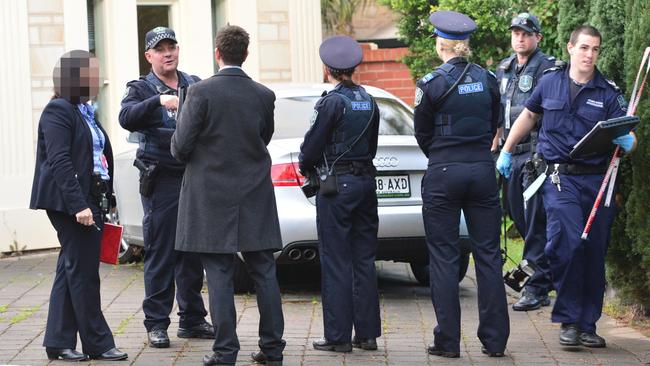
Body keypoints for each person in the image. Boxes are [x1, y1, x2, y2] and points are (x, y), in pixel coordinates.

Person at [496, 25, 637, 348]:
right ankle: (569, 319)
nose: (589, 55)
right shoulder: (550, 82)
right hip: (560, 180)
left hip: (597, 182)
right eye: (584, 47)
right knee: (567, 244)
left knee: (593, 250)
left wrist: (628, 142)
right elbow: (528, 117)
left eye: (595, 49)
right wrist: (505, 151)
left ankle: (587, 325)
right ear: (571, 48)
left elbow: (630, 137)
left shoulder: (607, 92)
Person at [171, 25, 285, 366]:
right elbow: (263, 138)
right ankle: (272, 349)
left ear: (217, 53)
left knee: (219, 274)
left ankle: (225, 352)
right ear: (245, 55)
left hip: (210, 196)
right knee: (264, 271)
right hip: (254, 192)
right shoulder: (264, 95)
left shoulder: (199, 93)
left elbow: (180, 148)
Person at [414, 10, 510, 358]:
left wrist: (443, 154)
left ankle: (448, 342)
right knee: (488, 255)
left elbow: (422, 134)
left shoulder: (430, 84)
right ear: (465, 46)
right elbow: (494, 123)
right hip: (482, 171)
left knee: (443, 256)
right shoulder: (487, 80)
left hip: (443, 172)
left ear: (441, 46)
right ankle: (495, 340)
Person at [30, 50, 127, 361]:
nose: (96, 79)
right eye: (91, 73)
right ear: (75, 77)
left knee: (69, 269)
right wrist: (79, 206)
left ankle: (58, 342)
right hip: (71, 202)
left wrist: (106, 199)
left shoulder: (83, 110)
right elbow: (59, 161)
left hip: (90, 197)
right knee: (84, 273)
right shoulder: (57, 111)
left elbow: (95, 158)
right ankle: (98, 343)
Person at [118, 26, 213, 348]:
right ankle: (156, 323)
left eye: (172, 46)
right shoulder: (141, 88)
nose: (168, 52)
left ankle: (193, 319)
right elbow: (126, 117)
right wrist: (159, 100)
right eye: (161, 49)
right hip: (162, 181)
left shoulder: (195, 83)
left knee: (192, 251)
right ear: (149, 56)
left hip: (193, 177)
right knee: (162, 253)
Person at [299, 35, 382, 353]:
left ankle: (337, 337)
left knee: (336, 260)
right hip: (365, 185)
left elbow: (310, 150)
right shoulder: (369, 100)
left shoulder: (331, 102)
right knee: (364, 259)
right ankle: (367, 335)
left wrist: (308, 164)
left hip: (337, 187)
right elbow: (371, 147)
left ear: (327, 69)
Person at [493, 12, 557, 311]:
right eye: (516, 32)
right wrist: (497, 146)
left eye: (526, 33)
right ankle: (547, 274)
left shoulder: (549, 68)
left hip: (535, 157)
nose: (520, 37)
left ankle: (537, 287)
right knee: (518, 217)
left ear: (537, 38)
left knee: (534, 223)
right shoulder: (504, 68)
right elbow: (499, 111)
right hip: (510, 155)